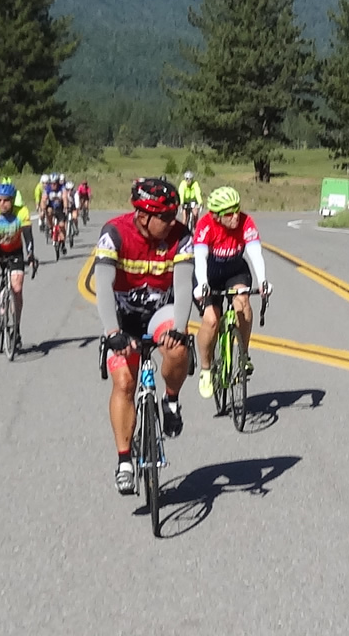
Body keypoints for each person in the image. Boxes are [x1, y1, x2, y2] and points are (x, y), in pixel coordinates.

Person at [94, 177, 195, 495]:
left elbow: (183, 287)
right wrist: (113, 333)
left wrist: (179, 329)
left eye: (174, 214)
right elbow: (103, 286)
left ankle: (171, 400)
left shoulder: (181, 236)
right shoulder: (114, 233)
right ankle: (124, 460)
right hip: (123, 319)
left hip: (160, 314)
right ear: (142, 215)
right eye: (165, 216)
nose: (172, 221)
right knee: (125, 382)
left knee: (178, 349)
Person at [192, 186, 271, 398]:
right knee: (211, 320)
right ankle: (206, 369)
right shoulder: (205, 225)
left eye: (237, 209)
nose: (235, 216)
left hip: (235, 271)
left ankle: (244, 354)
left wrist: (263, 281)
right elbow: (200, 258)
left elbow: (255, 253)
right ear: (216, 216)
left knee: (243, 304)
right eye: (229, 213)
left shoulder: (246, 222)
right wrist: (202, 284)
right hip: (209, 274)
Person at [0, 179, 35, 344]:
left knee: (17, 289)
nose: (2, 204)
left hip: (14, 250)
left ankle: (16, 329)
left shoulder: (21, 212)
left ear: (12, 201)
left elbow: (28, 236)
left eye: (5, 201)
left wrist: (30, 254)